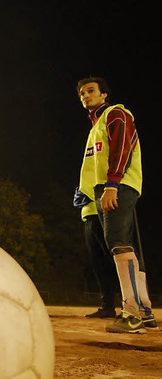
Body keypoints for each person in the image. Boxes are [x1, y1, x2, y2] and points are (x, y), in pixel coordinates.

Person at [76, 76, 156, 333]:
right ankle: (144, 310)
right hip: (105, 188)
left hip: (117, 186)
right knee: (126, 245)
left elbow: (123, 147)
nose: (85, 96)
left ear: (104, 95)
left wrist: (112, 185)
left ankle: (131, 314)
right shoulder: (95, 126)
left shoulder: (116, 114)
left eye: (90, 91)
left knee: (118, 243)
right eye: (81, 94)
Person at [73, 188, 120, 319]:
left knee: (115, 259)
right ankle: (108, 307)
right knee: (98, 262)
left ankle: (131, 305)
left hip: (105, 208)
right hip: (89, 212)